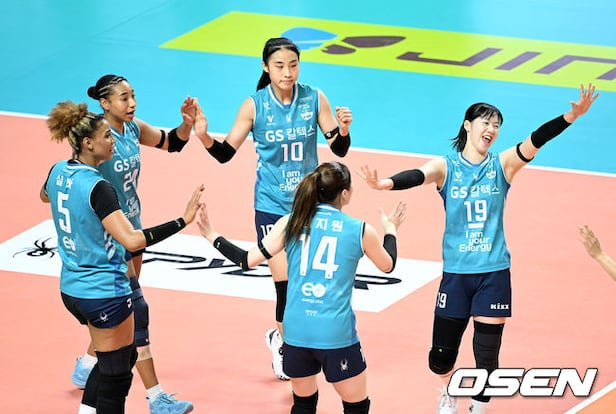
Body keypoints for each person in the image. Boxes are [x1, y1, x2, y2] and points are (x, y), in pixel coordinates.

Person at [358, 83, 598, 414]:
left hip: (493, 273)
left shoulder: (503, 165)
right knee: (439, 359)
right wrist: (386, 183)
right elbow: (418, 174)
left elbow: (536, 138)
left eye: (497, 125)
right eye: (486, 122)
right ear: (468, 125)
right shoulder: (446, 167)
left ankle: (479, 404)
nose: (492, 129)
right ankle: (449, 390)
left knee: (487, 356)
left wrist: (571, 116)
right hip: (456, 275)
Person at [193, 37, 353, 380]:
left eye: (293, 65)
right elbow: (225, 153)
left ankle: (290, 338)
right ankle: (283, 343)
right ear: (266, 67)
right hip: (271, 206)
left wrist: (343, 130)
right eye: (279, 66)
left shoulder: (314, 98)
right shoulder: (254, 107)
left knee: (306, 281)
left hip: (309, 204)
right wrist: (204, 136)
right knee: (286, 284)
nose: (288, 73)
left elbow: (338, 149)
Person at [197, 161, 406, 414]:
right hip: (335, 333)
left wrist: (211, 234)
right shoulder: (360, 230)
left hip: (295, 331)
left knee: (303, 405)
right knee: (356, 407)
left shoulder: (290, 222)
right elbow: (387, 265)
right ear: (345, 194)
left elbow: (245, 260)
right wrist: (391, 229)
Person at [41, 100, 203, 413]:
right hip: (103, 290)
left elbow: (44, 195)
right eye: (106, 136)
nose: (113, 140)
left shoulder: (58, 171)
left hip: (72, 288)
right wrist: (182, 221)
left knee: (120, 356)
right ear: (88, 144)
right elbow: (132, 239)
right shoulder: (98, 187)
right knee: (116, 377)